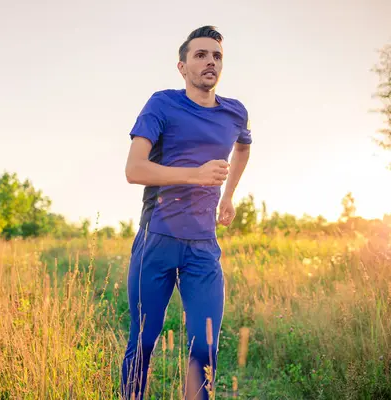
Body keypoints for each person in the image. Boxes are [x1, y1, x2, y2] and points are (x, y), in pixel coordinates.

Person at [121, 25, 252, 399]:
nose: (210, 61)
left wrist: (228, 196)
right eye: (200, 55)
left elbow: (243, 148)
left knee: (204, 348)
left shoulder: (235, 113)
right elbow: (134, 170)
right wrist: (195, 175)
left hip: (203, 248)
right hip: (157, 240)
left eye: (216, 56)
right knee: (144, 341)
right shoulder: (162, 104)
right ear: (182, 67)